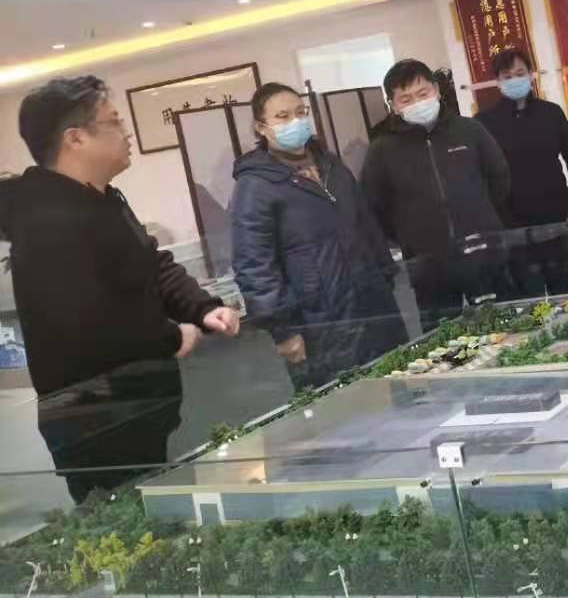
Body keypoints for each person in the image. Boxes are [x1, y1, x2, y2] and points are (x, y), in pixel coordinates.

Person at [0, 76, 239, 501]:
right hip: (98, 421)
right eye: (114, 122)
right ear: (76, 138)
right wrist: (171, 337)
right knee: (133, 527)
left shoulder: (103, 198)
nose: (126, 133)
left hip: (143, 406)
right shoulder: (44, 220)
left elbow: (151, 263)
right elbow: (87, 323)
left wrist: (201, 307)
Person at [230, 84, 408, 389]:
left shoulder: (331, 166)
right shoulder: (255, 187)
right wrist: (283, 331)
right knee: (345, 401)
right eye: (282, 116)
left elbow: (366, 226)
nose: (295, 122)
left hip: (374, 305)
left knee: (400, 386)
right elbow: (254, 266)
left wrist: (385, 276)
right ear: (261, 127)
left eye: (301, 113)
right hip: (320, 320)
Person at [361, 59, 512, 332]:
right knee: (442, 337)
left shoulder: (470, 130)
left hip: (484, 254)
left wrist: (481, 215)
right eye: (406, 99)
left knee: (503, 329)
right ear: (393, 105)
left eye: (423, 93)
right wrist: (407, 236)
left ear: (437, 90)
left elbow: (499, 178)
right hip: (428, 265)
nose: (417, 103)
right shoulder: (382, 150)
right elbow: (375, 205)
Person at [478, 49, 568, 297]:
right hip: (511, 220)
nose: (515, 80)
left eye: (520, 73)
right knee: (528, 291)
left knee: (562, 287)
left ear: (531, 74)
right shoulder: (484, 121)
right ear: (497, 82)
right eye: (507, 76)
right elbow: (480, 174)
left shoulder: (551, 112)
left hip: (553, 213)